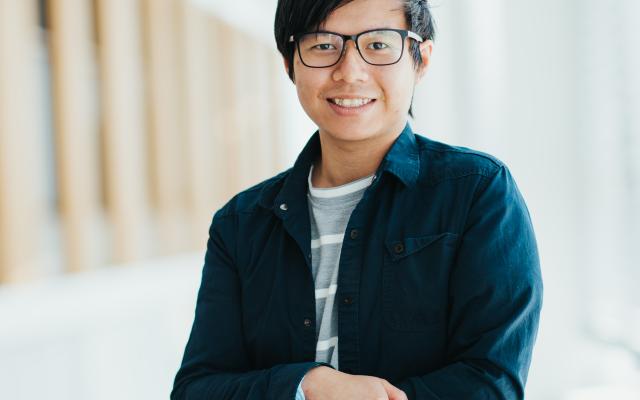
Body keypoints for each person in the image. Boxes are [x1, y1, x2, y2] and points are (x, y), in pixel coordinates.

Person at [170, 0, 543, 398]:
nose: (349, 71)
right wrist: (304, 386)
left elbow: (493, 381)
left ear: (422, 59)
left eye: (379, 45)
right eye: (323, 45)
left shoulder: (477, 191)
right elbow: (198, 389)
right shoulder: (240, 223)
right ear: (288, 63)